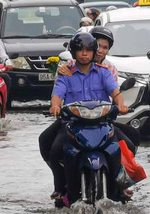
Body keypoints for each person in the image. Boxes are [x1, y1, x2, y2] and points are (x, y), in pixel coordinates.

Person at [45, 33, 128, 201]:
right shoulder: (66, 72)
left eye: (88, 50)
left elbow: (116, 93)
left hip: (102, 123)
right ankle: (60, 187)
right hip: (73, 124)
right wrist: (55, 106)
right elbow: (57, 94)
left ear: (93, 52)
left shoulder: (104, 72)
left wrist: (120, 105)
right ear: (73, 52)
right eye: (80, 50)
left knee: (128, 144)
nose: (84, 54)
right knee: (53, 149)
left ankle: (122, 184)